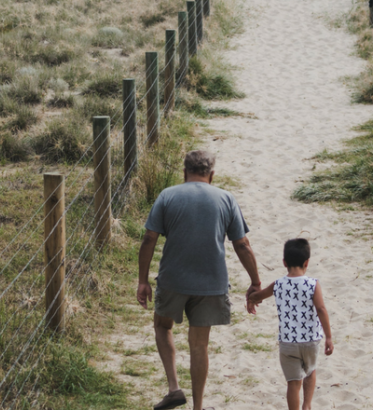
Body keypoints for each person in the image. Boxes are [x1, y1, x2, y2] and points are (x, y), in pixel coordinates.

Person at [137, 150, 262, 410]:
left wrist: (143, 280)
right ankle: (198, 407)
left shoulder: (168, 195)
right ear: (212, 175)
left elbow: (149, 238)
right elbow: (242, 244)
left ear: (185, 173)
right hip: (211, 284)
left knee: (162, 326)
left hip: (173, 280)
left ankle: (174, 388)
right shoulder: (226, 198)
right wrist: (255, 282)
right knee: (199, 345)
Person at [247, 238, 333, 410]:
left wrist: (251, 300)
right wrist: (329, 337)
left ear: (284, 262)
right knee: (310, 372)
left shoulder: (278, 284)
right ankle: (307, 405)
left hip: (288, 343)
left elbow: (259, 296)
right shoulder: (313, 284)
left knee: (293, 383)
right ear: (307, 262)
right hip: (310, 340)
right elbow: (321, 309)